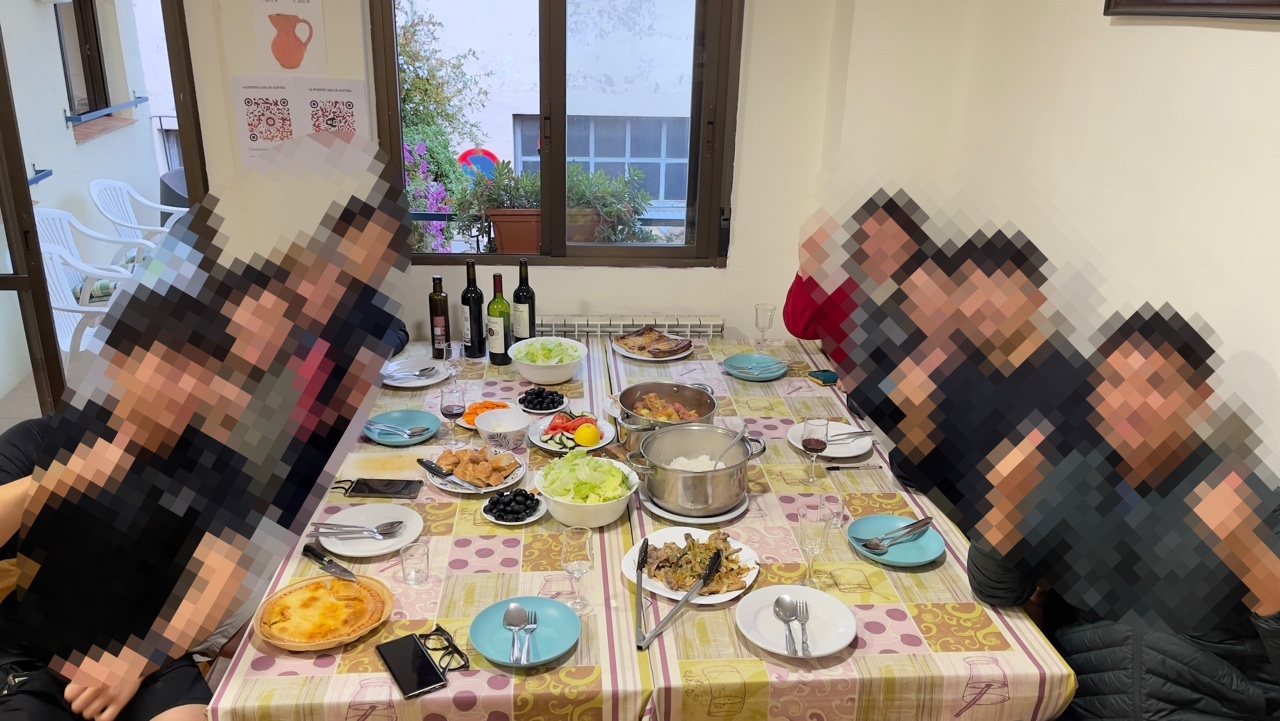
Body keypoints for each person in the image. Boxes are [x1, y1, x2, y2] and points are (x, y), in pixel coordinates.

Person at [969, 308, 1280, 720]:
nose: (1129, 403)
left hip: (1206, 703)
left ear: (1199, 396)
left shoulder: (1248, 497)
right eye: (1113, 383)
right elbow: (995, 590)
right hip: (1087, 696)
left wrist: (1249, 551)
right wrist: (1006, 503)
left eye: (1155, 385)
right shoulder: (1071, 478)